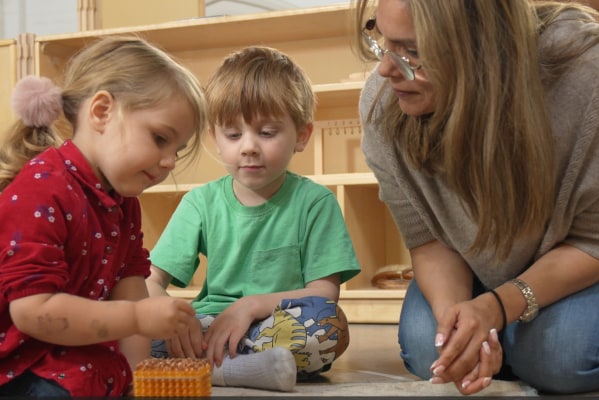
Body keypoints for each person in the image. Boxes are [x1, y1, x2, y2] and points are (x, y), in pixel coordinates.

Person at [353, 0, 599, 396]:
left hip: (576, 261)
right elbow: (427, 240)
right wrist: (457, 323)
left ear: (483, 46)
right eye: (382, 39)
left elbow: (592, 240)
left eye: (412, 51)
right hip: (474, 268)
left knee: (561, 357)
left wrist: (498, 308)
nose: (385, 69)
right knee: (428, 348)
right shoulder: (382, 104)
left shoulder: (586, 77)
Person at [0, 35, 208, 397]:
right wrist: (137, 318)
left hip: (73, 358)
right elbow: (33, 313)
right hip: (17, 366)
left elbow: (131, 292)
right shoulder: (41, 189)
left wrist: (137, 380)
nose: (170, 162)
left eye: (178, 150)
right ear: (101, 112)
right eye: (161, 139)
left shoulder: (123, 203)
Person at [146, 46, 362, 392]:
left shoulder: (315, 203)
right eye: (233, 135)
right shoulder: (200, 202)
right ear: (216, 138)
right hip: (209, 327)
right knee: (131, 327)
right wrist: (172, 317)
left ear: (301, 135)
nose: (248, 147)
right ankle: (239, 369)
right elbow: (151, 280)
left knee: (327, 325)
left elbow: (323, 294)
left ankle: (209, 368)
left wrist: (250, 306)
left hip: (274, 324)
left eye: (266, 132)